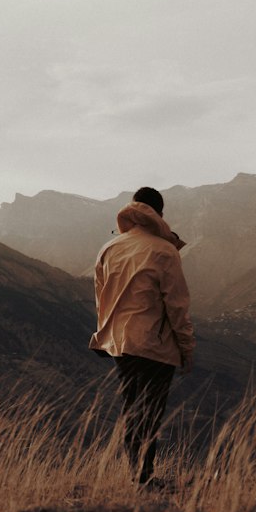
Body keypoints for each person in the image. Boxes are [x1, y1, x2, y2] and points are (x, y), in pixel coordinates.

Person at [89, 185, 195, 485]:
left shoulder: (109, 249)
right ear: (159, 214)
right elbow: (177, 307)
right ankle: (144, 478)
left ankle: (138, 475)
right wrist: (187, 348)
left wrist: (106, 333)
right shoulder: (165, 251)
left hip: (120, 343)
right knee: (151, 411)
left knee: (132, 407)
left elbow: (102, 299)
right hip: (154, 344)